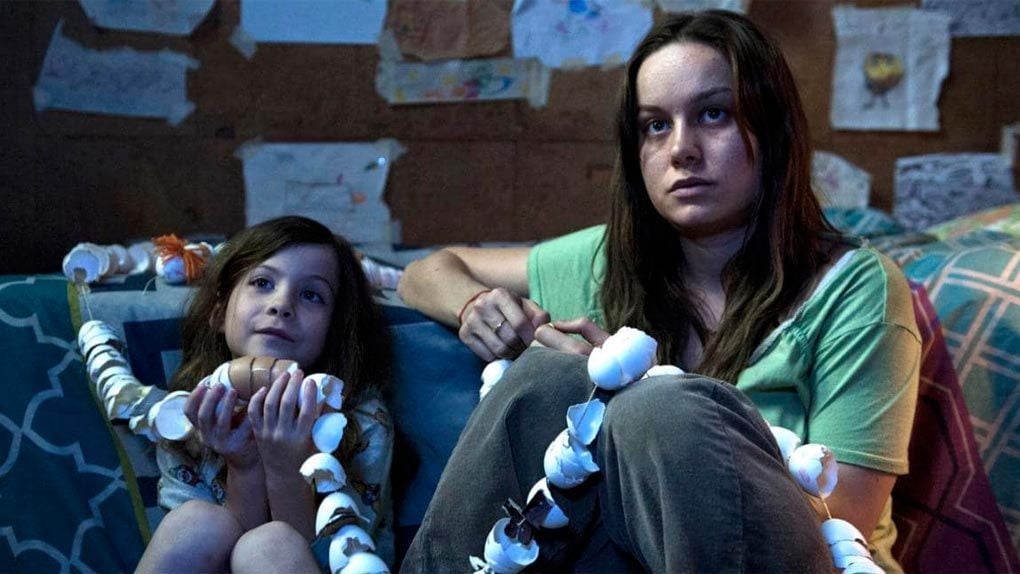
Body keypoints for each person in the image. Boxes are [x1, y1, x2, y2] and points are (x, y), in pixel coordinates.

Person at [397, 10, 919, 573]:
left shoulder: (857, 287)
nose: (681, 150)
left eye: (713, 114)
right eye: (655, 125)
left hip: (796, 560)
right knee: (546, 378)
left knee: (656, 407)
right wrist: (475, 306)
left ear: (772, 131)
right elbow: (425, 272)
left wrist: (643, 400)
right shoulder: (606, 261)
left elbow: (845, 521)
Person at [136, 216, 394, 573]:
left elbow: (325, 560)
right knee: (196, 523)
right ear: (218, 313)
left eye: (311, 294)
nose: (281, 304)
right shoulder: (189, 416)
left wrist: (287, 467)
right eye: (262, 282)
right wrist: (243, 466)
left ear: (333, 331)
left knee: (270, 545)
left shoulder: (360, 421)